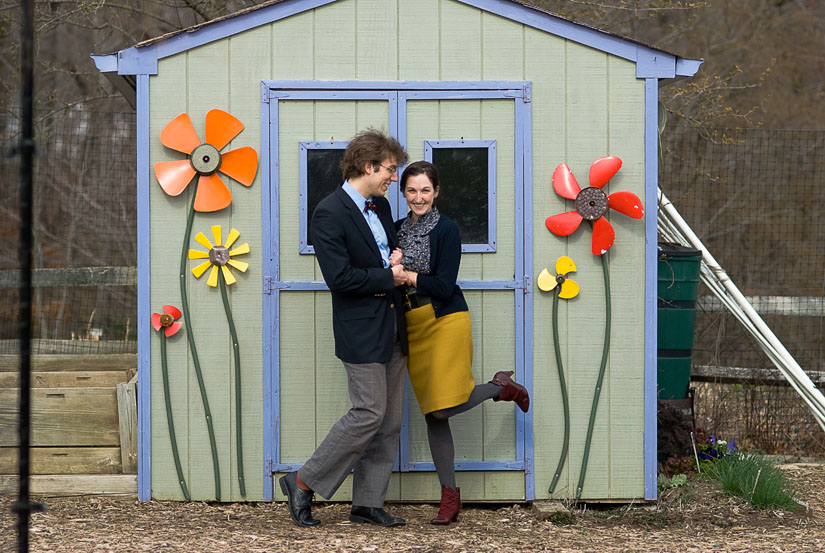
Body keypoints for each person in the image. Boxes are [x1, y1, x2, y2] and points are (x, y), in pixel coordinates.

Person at [279, 129, 409, 528]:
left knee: (389, 421)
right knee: (369, 412)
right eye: (389, 170)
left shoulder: (381, 207)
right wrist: (391, 276)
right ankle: (302, 480)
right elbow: (341, 278)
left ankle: (367, 503)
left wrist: (394, 256)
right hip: (360, 329)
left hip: (394, 325)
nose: (393, 178)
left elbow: (381, 255)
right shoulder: (329, 212)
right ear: (369, 167)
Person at [391, 160, 529, 526]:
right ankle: (449, 497)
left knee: (441, 409)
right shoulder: (396, 229)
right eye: (411, 190)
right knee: (432, 415)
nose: (418, 197)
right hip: (412, 325)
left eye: (425, 190)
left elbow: (444, 285)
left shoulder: (447, 230)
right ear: (403, 193)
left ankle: (499, 388)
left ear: (436, 193)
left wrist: (405, 275)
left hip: (445, 319)